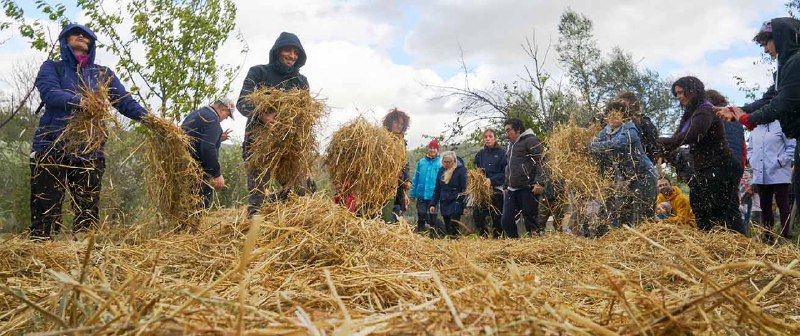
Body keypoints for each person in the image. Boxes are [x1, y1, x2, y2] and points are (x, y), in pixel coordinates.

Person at [30, 24, 149, 240]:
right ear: (65, 40)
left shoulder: (102, 74)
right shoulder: (52, 68)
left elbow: (124, 102)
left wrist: (150, 119)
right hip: (51, 147)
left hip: (89, 151)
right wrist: (82, 101)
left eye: (87, 36)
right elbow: (50, 93)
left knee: (87, 213)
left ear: (92, 44)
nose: (82, 37)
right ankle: (41, 259)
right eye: (76, 34)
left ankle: (84, 258)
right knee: (45, 211)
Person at [658, 76, 745, 234]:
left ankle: (741, 248)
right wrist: (663, 150)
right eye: (676, 94)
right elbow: (677, 138)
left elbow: (693, 136)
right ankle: (710, 245)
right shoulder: (690, 114)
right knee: (700, 207)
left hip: (720, 167)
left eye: (681, 92)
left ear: (693, 91)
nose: (678, 97)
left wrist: (662, 142)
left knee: (724, 212)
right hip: (705, 169)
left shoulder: (706, 109)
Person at [236, 32, 309, 217]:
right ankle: (254, 233)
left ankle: (276, 208)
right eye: (288, 50)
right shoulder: (258, 72)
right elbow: (242, 103)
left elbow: (306, 115)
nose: (292, 56)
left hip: (290, 146)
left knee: (299, 191)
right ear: (277, 51)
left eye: (295, 53)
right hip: (259, 144)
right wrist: (263, 116)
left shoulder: (301, 82)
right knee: (257, 199)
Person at [589, 99, 657, 231]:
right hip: (628, 178)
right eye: (610, 113)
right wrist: (588, 145)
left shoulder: (630, 128)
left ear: (624, 115)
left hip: (644, 176)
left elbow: (617, 144)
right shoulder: (606, 131)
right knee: (625, 214)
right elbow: (594, 142)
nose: (613, 116)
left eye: (617, 113)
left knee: (643, 215)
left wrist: (591, 146)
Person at [181, 98, 235, 208]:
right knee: (197, 209)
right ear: (222, 109)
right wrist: (217, 174)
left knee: (183, 209)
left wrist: (218, 138)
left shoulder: (196, 114)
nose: (225, 119)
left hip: (184, 169)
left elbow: (197, 140)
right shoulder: (212, 120)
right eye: (227, 115)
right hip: (198, 174)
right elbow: (207, 148)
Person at [747, 119, 796, 240]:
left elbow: (791, 147)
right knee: (765, 206)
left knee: (783, 205)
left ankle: (786, 237)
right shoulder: (755, 128)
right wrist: (752, 160)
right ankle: (768, 237)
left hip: (779, 173)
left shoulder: (783, 124)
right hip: (760, 173)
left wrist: (779, 162)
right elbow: (750, 149)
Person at [501, 118, 544, 238]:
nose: (506, 134)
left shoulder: (531, 140)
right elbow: (508, 167)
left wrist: (539, 182)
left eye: (508, 130)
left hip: (528, 188)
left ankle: (535, 247)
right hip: (512, 189)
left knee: (531, 221)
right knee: (506, 220)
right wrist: (505, 185)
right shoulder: (510, 145)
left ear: (518, 129)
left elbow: (542, 161)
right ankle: (515, 246)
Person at [472, 128, 507, 237]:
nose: (487, 139)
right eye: (485, 137)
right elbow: (476, 170)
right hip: (481, 191)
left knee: (497, 217)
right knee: (477, 215)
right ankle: (483, 237)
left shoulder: (502, 153)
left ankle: (498, 238)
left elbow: (505, 173)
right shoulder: (480, 154)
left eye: (490, 136)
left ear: (495, 138)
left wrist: (492, 180)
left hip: (497, 190)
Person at [382, 108, 412, 222]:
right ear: (390, 122)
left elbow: (405, 164)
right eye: (396, 122)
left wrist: (408, 180)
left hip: (398, 186)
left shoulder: (402, 142)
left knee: (395, 212)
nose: (399, 126)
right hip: (384, 185)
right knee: (386, 215)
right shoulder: (382, 139)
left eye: (401, 124)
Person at [430, 151, 467, 237]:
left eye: (449, 162)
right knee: (447, 225)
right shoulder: (441, 170)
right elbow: (437, 189)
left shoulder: (461, 170)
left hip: (456, 201)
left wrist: (465, 206)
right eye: (444, 162)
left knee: (453, 225)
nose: (446, 164)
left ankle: (455, 243)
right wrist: (433, 204)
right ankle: (450, 244)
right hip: (444, 201)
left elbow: (465, 189)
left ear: (454, 161)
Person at [410, 139, 442, 233]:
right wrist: (412, 194)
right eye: (430, 148)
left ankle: (433, 236)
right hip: (421, 194)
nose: (432, 150)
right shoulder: (421, 162)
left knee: (433, 218)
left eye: (434, 148)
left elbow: (442, 180)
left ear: (437, 150)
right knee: (421, 216)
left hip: (434, 196)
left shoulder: (440, 163)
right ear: (428, 149)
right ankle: (420, 234)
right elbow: (416, 178)